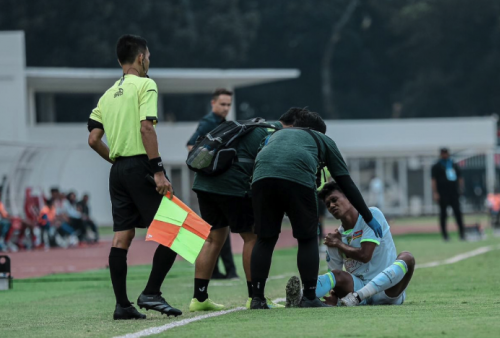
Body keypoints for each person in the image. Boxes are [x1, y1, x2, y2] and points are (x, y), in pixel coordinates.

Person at [249, 110, 383, 309]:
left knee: (265, 238)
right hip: (298, 181)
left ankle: (257, 298)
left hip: (261, 181)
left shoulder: (274, 136)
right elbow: (345, 182)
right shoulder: (321, 139)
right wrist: (368, 215)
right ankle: (310, 297)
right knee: (308, 237)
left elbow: (259, 160)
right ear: (319, 131)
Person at [87, 34, 181, 320]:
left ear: (120, 60)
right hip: (141, 166)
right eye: (149, 56)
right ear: (141, 58)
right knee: (174, 231)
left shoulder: (106, 95)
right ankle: (151, 292)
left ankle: (122, 305)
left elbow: (93, 139)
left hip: (117, 171)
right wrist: (158, 171)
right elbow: (146, 129)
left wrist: (115, 159)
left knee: (122, 236)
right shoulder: (146, 85)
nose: (149, 61)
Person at [188, 109, 301, 312]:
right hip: (232, 186)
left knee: (213, 239)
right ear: (291, 126)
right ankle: (254, 297)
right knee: (252, 238)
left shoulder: (254, 125)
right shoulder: (274, 133)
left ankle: (199, 298)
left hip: (204, 183)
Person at [285, 182, 415, 307]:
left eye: (334, 199)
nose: (331, 206)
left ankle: (359, 296)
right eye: (328, 204)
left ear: (349, 197)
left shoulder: (371, 215)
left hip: (387, 290)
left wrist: (339, 244)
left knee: (407, 257)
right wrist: (334, 297)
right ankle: (300, 297)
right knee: (336, 274)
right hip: (355, 291)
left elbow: (365, 255)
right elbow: (335, 274)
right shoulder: (336, 237)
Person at [187, 88, 238, 281]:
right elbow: (191, 146)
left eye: (228, 105)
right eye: (223, 104)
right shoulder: (209, 122)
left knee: (217, 230)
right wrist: (211, 163)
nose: (226, 108)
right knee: (219, 230)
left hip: (217, 183)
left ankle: (218, 271)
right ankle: (227, 271)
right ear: (213, 103)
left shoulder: (222, 123)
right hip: (213, 183)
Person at [431, 148, 465, 241]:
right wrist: (435, 193)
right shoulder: (437, 166)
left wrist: (461, 189)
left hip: (454, 193)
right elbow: (433, 180)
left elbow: (460, 178)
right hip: (443, 194)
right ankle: (445, 235)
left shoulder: (454, 165)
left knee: (458, 213)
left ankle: (462, 234)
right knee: (443, 215)